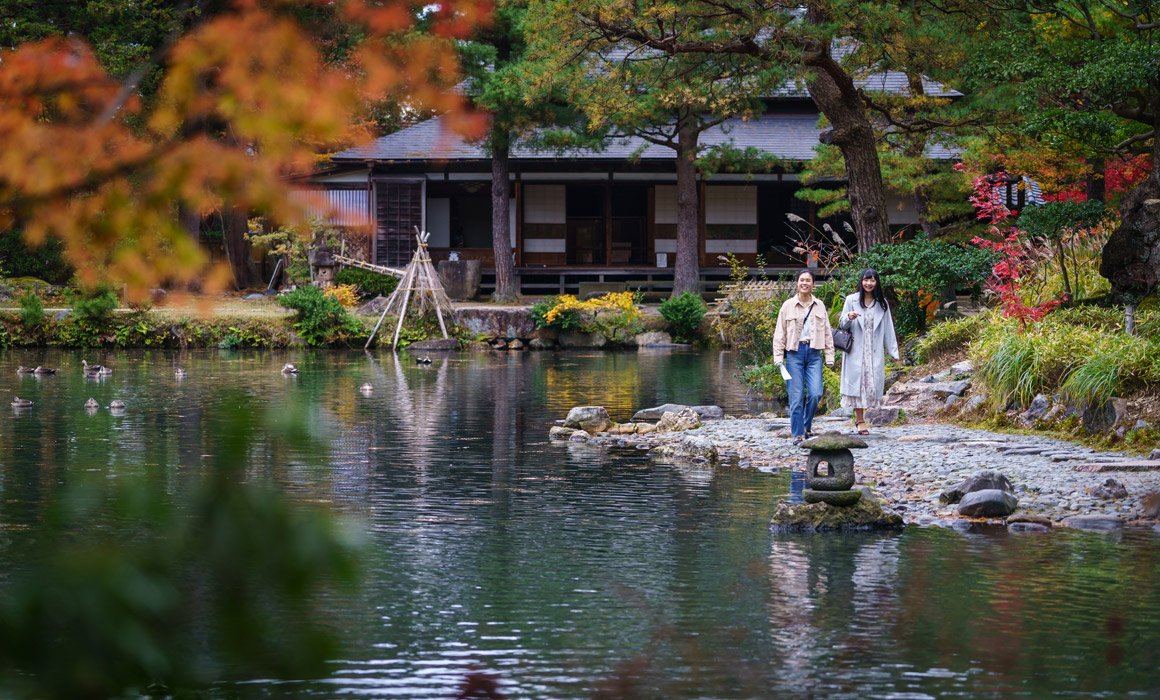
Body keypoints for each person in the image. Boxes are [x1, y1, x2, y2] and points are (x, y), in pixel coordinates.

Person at [773, 269, 835, 445]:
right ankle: (798, 434)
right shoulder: (787, 305)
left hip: (814, 353)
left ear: (813, 284)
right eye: (802, 280)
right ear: (797, 283)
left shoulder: (819, 305)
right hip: (794, 354)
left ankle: (806, 426)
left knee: (815, 393)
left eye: (808, 280)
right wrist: (778, 357)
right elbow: (780, 333)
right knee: (796, 396)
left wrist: (829, 356)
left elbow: (827, 332)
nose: (805, 283)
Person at [838, 269, 900, 435]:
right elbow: (842, 324)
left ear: (877, 283)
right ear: (861, 281)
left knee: (870, 385)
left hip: (874, 350)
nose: (869, 283)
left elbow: (888, 328)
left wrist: (893, 352)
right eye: (866, 280)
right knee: (857, 385)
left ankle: (863, 417)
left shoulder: (882, 303)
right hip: (855, 349)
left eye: (872, 280)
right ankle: (860, 420)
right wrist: (849, 317)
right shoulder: (851, 300)